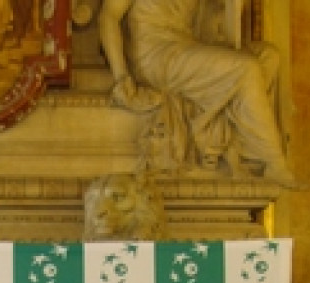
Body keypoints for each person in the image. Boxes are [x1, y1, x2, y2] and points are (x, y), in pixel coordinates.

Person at [98, 0, 295, 184]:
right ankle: (272, 160)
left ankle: (230, 140)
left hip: (186, 46)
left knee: (269, 56)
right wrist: (122, 77)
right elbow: (109, 17)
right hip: (155, 55)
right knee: (247, 68)